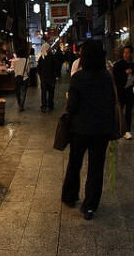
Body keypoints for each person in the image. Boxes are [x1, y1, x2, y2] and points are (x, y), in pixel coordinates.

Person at [61, 40, 116, 220]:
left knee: (74, 163)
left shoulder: (78, 77)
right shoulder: (106, 76)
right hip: (101, 130)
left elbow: (73, 106)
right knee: (96, 168)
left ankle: (69, 196)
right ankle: (90, 206)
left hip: (79, 130)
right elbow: (111, 102)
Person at [113, 44, 134, 140]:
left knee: (129, 111)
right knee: (119, 110)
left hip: (130, 91)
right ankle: (118, 129)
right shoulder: (118, 65)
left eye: (128, 53)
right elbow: (115, 78)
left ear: (132, 54)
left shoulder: (133, 65)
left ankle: (127, 130)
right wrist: (125, 73)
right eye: (124, 52)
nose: (125, 55)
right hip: (121, 91)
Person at [37, 42, 58, 112]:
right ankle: (50, 105)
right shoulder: (52, 57)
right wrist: (56, 75)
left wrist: (41, 75)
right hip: (51, 78)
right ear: (48, 49)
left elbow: (38, 69)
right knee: (51, 92)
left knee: (43, 93)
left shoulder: (41, 58)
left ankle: (44, 106)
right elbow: (56, 67)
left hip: (43, 79)